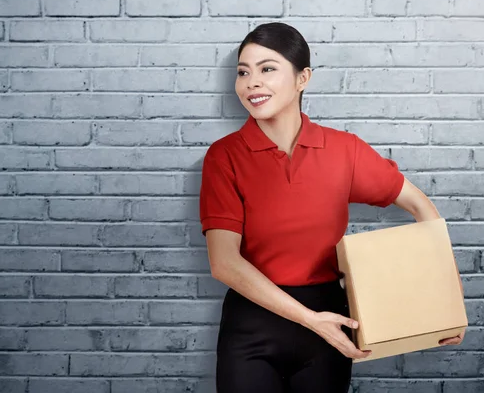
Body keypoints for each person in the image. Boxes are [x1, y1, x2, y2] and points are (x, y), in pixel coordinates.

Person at [198, 22, 465, 393]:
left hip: (332, 324)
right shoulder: (223, 157)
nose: (251, 82)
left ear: (302, 78)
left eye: (267, 68)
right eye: (243, 72)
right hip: (252, 328)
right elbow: (224, 262)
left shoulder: (344, 150)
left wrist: (443, 306)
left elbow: (421, 206)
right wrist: (311, 320)